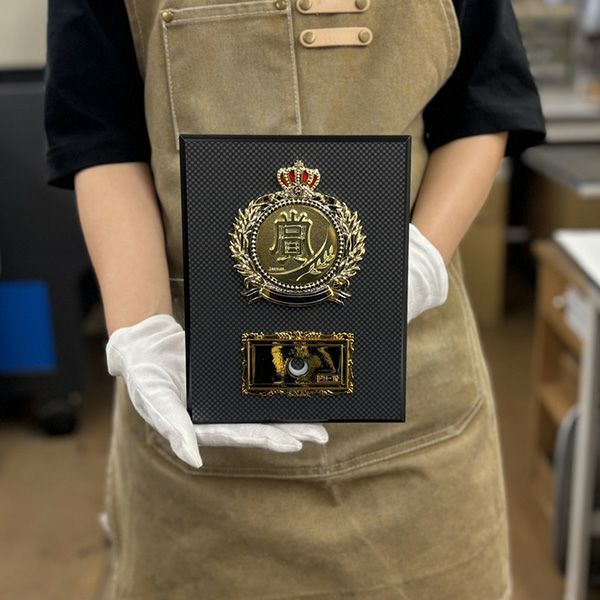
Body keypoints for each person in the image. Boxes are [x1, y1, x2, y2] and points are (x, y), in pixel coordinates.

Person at [44, 1, 546, 598]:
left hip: (414, 401)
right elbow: (100, 133)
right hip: (197, 399)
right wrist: (144, 327)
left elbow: (481, 102)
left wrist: (418, 260)